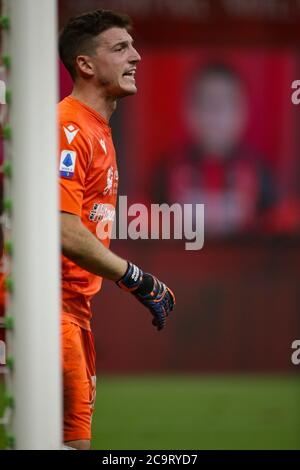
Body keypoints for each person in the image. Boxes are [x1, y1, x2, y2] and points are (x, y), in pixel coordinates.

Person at [58, 9, 175, 450]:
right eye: (121, 48)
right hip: (48, 308)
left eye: (134, 46)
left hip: (73, 310)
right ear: (86, 64)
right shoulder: (70, 128)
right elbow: (61, 229)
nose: (137, 57)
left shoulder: (97, 129)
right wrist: (137, 279)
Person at [154, 62, 276, 236]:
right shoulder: (167, 169)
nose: (216, 114)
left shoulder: (259, 171)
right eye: (207, 103)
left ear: (243, 112)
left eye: (226, 104)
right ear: (189, 111)